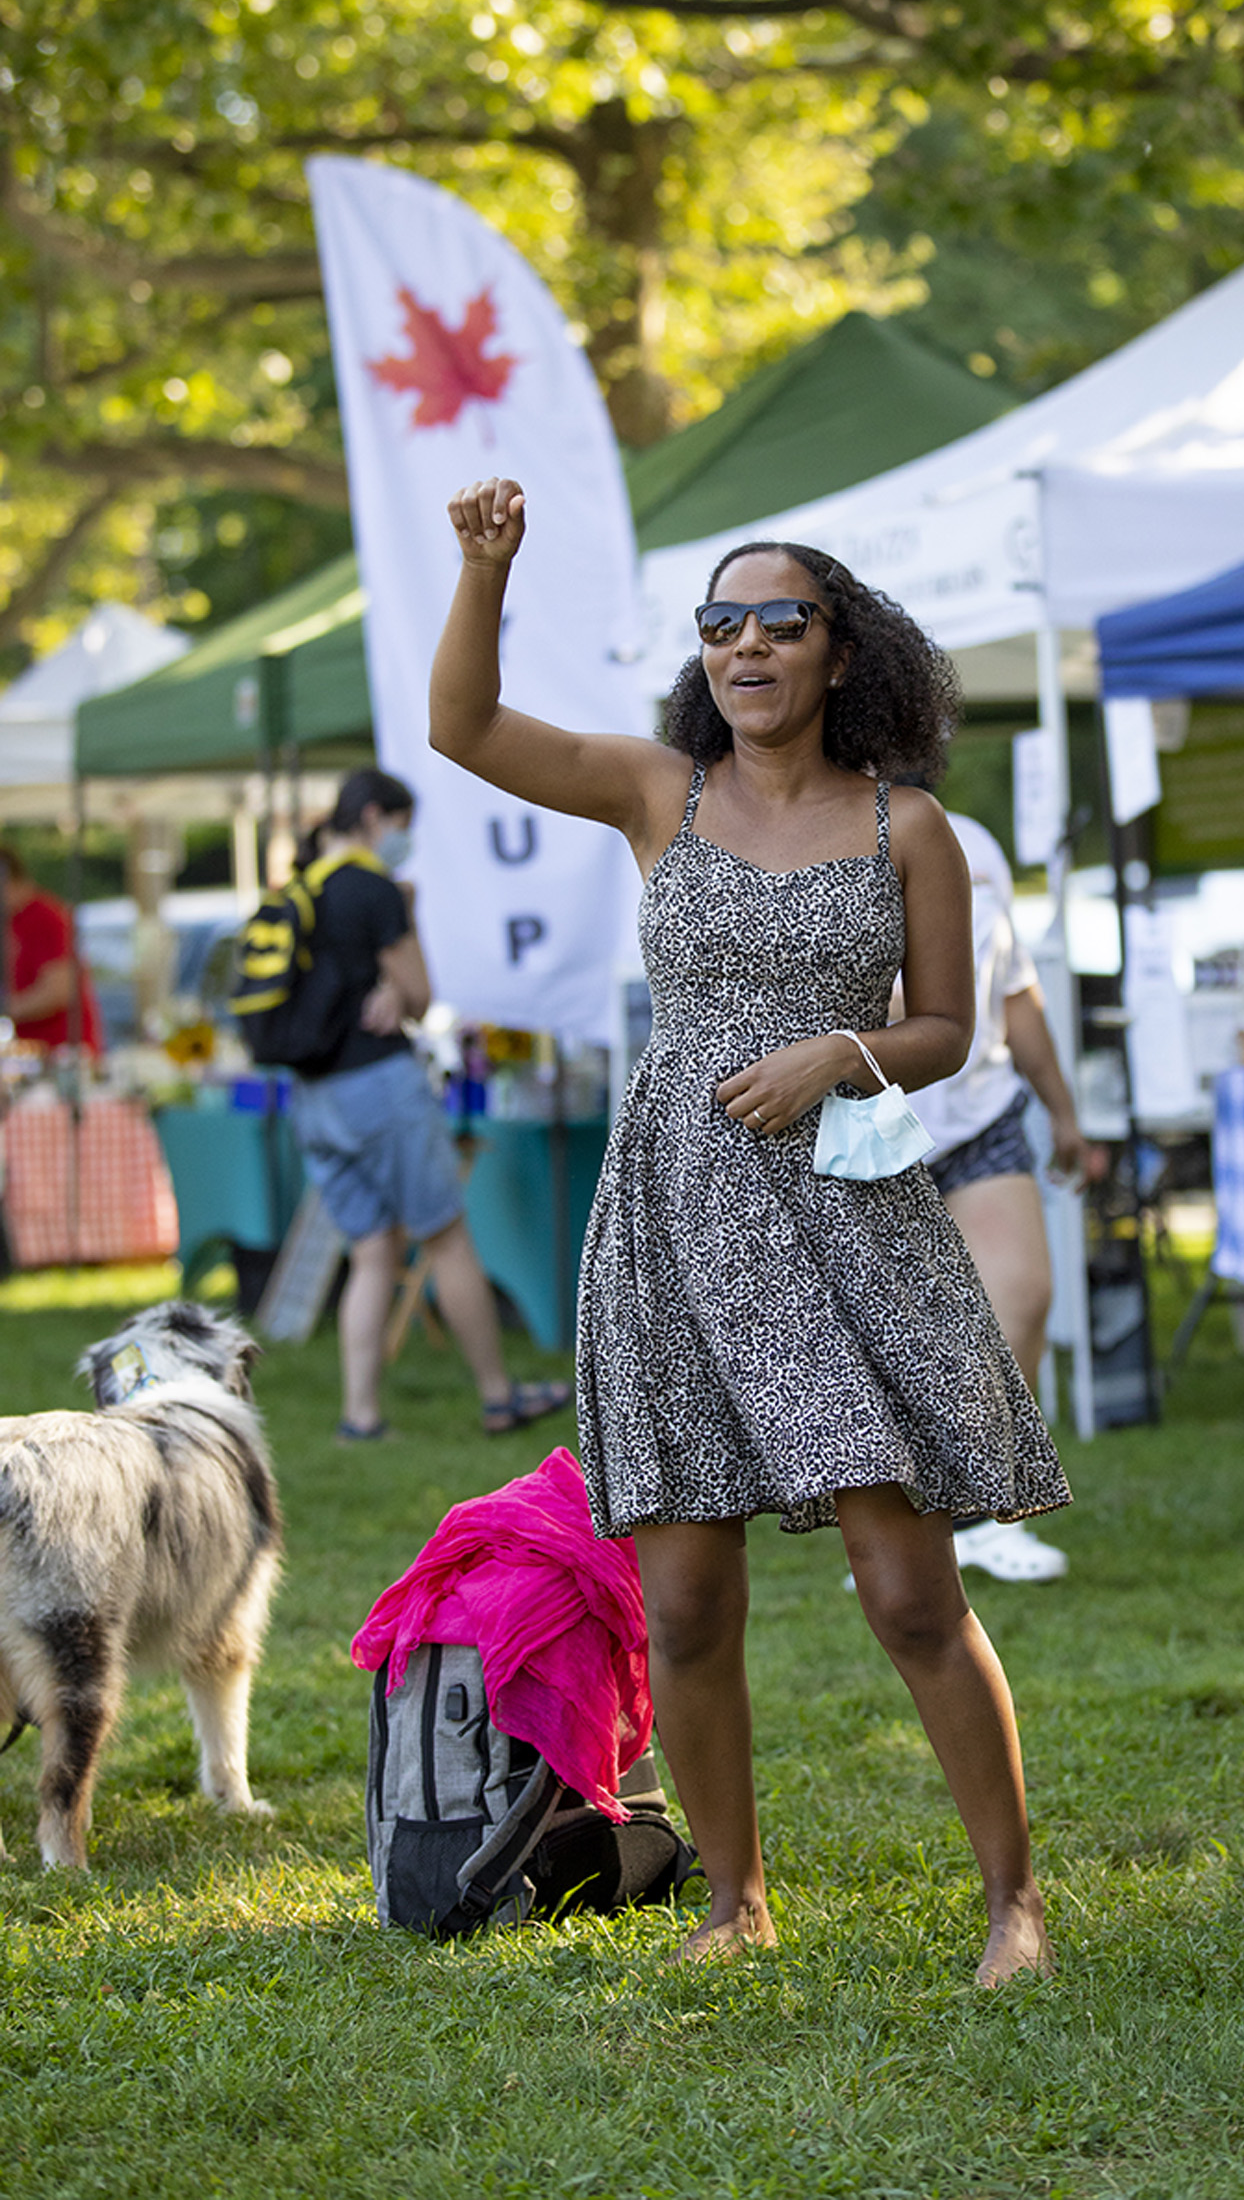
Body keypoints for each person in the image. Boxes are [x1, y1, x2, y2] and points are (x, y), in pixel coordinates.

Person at [431, 479, 1070, 1985]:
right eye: (721, 626)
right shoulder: (662, 791)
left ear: (840, 652)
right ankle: (735, 1903)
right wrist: (484, 574)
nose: (746, 647)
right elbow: (464, 728)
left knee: (911, 1592)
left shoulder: (907, 827)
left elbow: (941, 1028)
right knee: (688, 1597)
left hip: (848, 1221)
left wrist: (833, 1055)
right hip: (673, 1215)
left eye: (779, 621)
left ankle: (1013, 1907)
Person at [285, 768, 569, 1445]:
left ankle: (360, 1416)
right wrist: (396, 977)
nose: (405, 839)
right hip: (378, 1087)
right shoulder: (373, 890)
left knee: (371, 1250)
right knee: (445, 1237)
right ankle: (499, 1397)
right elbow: (420, 993)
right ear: (378, 817)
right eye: (403, 825)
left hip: (314, 1094)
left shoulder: (300, 887)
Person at [908, 808, 1104, 1585]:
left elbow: (1015, 991)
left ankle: (990, 1517)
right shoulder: (811, 835)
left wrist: (1061, 1111)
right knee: (907, 1340)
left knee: (1020, 1296)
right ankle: (916, 1535)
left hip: (980, 1110)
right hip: (868, 1124)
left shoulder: (971, 838)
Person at [0, 845, 103, 1056]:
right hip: (27, 1052)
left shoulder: (45, 917)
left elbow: (59, 990)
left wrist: (7, 1009)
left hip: (61, 1052)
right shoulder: (12, 920)